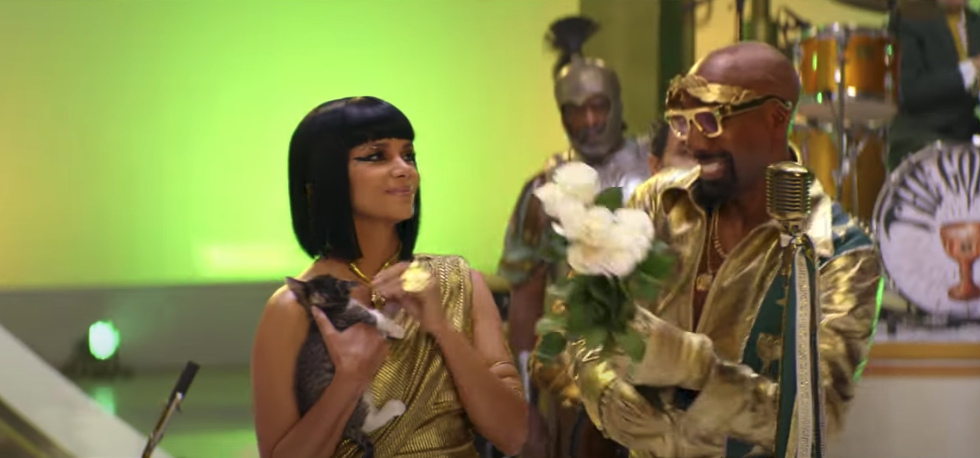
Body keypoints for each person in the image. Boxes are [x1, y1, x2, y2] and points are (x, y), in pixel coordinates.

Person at [531, 42, 883, 457]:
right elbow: (574, 323)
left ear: (775, 118)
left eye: (711, 120)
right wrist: (607, 395)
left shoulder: (836, 252)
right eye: (683, 122)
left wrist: (695, 366)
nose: (695, 142)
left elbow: (814, 421)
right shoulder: (659, 202)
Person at [250, 96, 527, 458]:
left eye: (408, 155)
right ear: (324, 178)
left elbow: (515, 436)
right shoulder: (293, 309)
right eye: (376, 156)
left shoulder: (460, 283)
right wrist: (349, 380)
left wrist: (442, 330)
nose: (404, 170)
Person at [498, 15, 650, 458]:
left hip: (650, 372)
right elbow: (525, 301)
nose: (589, 120)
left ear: (616, 103)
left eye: (598, 106)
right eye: (574, 110)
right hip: (569, 380)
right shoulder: (544, 190)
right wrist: (525, 402)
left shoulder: (656, 175)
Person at [886, 0, 980, 170]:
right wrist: (969, 70)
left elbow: (977, 94)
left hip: (967, 137)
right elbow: (910, 91)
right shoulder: (910, 18)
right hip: (920, 135)